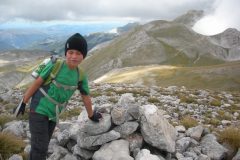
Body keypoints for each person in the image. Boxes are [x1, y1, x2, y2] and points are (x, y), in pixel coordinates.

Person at [13, 33, 102, 160]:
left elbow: (85, 96)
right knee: (40, 147)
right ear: (66, 53)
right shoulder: (56, 65)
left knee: (41, 145)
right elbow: (37, 82)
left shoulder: (80, 75)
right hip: (39, 109)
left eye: (78, 53)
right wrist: (23, 102)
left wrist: (91, 114)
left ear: (84, 56)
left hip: (54, 114)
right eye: (70, 52)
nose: (74, 56)